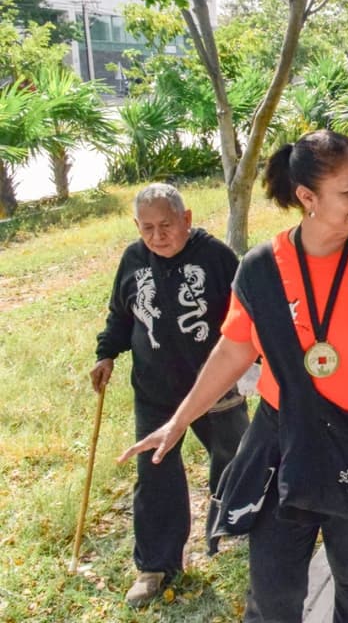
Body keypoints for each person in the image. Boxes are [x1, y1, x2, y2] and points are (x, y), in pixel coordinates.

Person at [121, 130, 348, 622]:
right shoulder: (262, 267)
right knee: (273, 598)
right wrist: (179, 420)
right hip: (284, 447)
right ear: (308, 198)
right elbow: (232, 351)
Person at [92, 183, 247, 606]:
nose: (157, 236)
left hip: (213, 385)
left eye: (166, 225)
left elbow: (245, 316)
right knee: (155, 473)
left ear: (187, 219)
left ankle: (244, 527)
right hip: (155, 390)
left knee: (240, 458)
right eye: (147, 228)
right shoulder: (133, 259)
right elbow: (120, 315)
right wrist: (106, 354)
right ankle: (156, 566)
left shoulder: (215, 257)